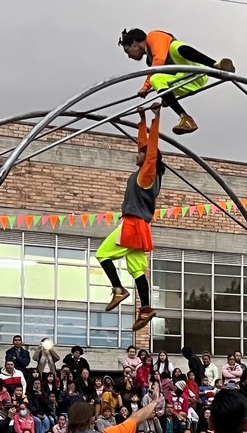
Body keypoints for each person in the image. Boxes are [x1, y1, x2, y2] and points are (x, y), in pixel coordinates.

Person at [94, 103, 164, 333]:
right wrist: (142, 119)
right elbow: (145, 144)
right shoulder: (144, 172)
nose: (138, 153)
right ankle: (145, 307)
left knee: (103, 254)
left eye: (140, 153)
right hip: (141, 228)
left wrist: (156, 118)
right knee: (137, 271)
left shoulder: (147, 173)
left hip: (132, 224)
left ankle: (118, 289)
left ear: (149, 159)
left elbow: (151, 148)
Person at [119, 28, 234, 135]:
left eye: (127, 51)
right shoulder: (150, 62)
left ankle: (216, 66)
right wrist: (166, 97)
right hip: (186, 81)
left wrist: (145, 87)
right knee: (156, 79)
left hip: (197, 70)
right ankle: (186, 119)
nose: (129, 56)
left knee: (174, 47)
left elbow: (159, 59)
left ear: (134, 44)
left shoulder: (153, 37)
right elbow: (161, 72)